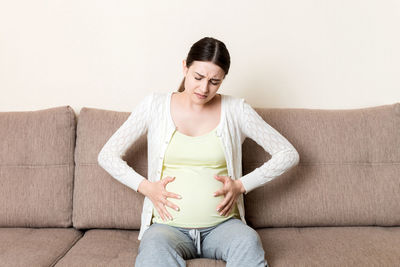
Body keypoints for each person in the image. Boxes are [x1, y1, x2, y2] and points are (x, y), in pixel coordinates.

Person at [97, 37, 300, 267]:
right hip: (167, 229)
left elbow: (287, 153)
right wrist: (146, 187)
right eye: (198, 77)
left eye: (215, 81)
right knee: (153, 253)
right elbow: (107, 155)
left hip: (223, 227)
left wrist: (241, 185)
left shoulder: (236, 110)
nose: (204, 89)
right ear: (185, 67)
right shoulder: (154, 106)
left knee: (248, 242)